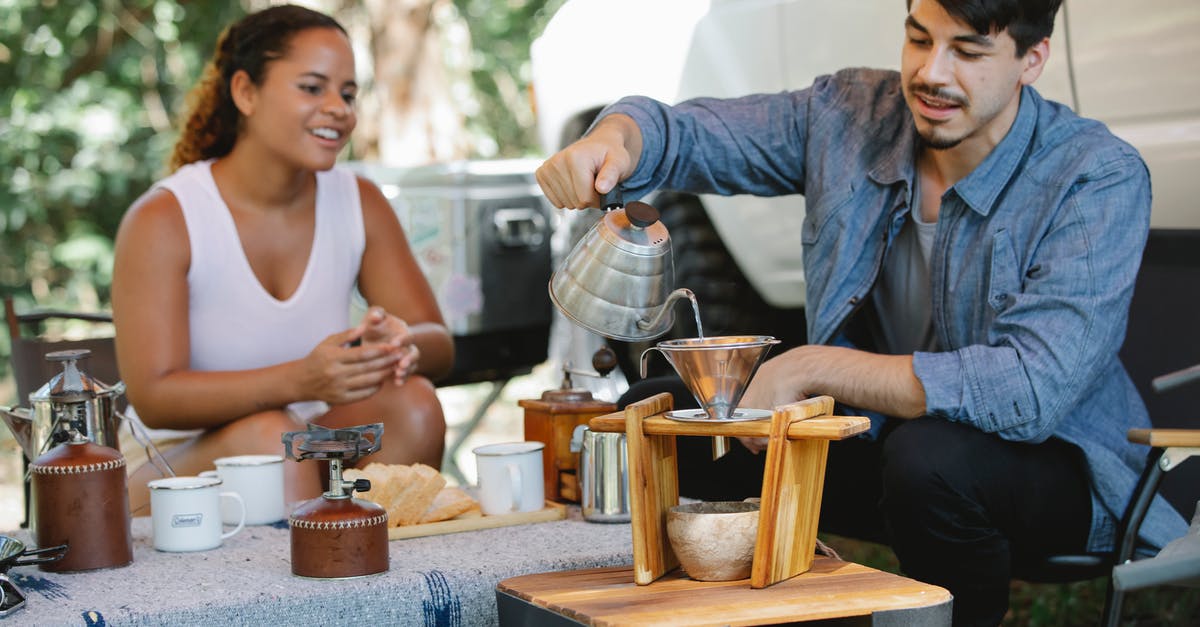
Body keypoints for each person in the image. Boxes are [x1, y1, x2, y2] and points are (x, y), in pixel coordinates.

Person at [535, 0, 1187, 624]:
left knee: (929, 459)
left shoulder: (1094, 174)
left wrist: (816, 366)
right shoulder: (850, 115)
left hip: (1057, 467)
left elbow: (1029, 390)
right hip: (883, 441)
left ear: (1032, 59)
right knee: (671, 414)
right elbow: (697, 134)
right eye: (919, 38)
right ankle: (716, 619)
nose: (932, 72)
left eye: (968, 50)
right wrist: (616, 140)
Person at [112, 4, 453, 513]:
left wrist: (398, 346)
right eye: (312, 88)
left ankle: (383, 581)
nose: (338, 108)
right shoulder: (164, 217)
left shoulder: (358, 200)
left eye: (348, 93)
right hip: (169, 467)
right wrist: (301, 379)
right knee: (273, 441)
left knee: (415, 405)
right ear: (246, 92)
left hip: (302, 445)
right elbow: (156, 396)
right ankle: (303, 590)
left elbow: (439, 343)